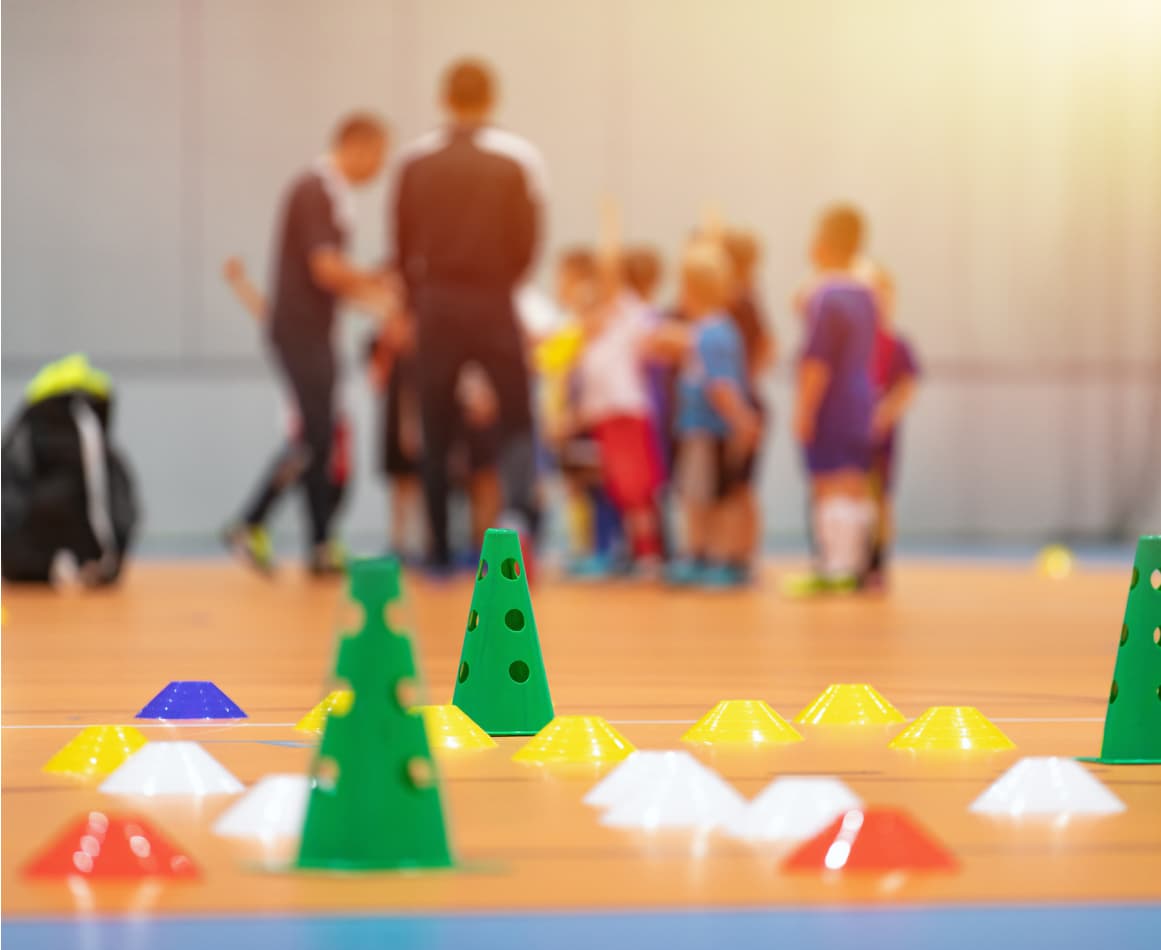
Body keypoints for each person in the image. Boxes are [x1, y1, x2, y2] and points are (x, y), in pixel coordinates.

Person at [392, 58, 545, 571]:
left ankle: (437, 549)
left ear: (444, 98)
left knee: (435, 422)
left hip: (435, 302)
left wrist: (419, 298)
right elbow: (529, 242)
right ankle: (521, 527)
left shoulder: (414, 161)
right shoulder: (516, 160)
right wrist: (500, 282)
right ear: (492, 99)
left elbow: (401, 243)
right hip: (493, 297)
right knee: (517, 415)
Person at [227, 113, 390, 575]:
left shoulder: (328, 194)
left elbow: (332, 280)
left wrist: (381, 300)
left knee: (321, 436)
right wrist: (377, 279)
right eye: (378, 156)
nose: (378, 168)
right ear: (357, 146)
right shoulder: (317, 189)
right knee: (315, 435)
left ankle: (318, 544)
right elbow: (327, 269)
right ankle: (255, 524)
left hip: (312, 331)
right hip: (300, 333)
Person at [221, 257, 355, 572]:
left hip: (331, 415)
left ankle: (319, 545)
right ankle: (252, 523)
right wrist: (240, 284)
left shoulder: (323, 331)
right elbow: (268, 315)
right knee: (309, 465)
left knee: (321, 479)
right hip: (307, 415)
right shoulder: (299, 330)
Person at [789, 204, 877, 593]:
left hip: (833, 401)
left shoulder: (825, 297)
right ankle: (856, 563)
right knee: (855, 482)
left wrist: (804, 408)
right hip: (862, 396)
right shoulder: (867, 293)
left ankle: (835, 566)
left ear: (821, 245)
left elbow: (817, 361)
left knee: (829, 483)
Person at [666, 240, 762, 588]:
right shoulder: (710, 331)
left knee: (711, 497)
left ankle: (720, 555)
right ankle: (706, 553)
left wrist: (740, 419)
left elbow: (721, 386)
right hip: (703, 429)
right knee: (703, 495)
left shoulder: (712, 334)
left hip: (708, 430)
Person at [862, 263, 921, 588]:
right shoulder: (853, 343)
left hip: (881, 437)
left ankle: (878, 560)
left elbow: (907, 386)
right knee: (851, 493)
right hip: (850, 434)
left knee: (880, 497)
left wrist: (885, 413)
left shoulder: (896, 345)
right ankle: (850, 555)